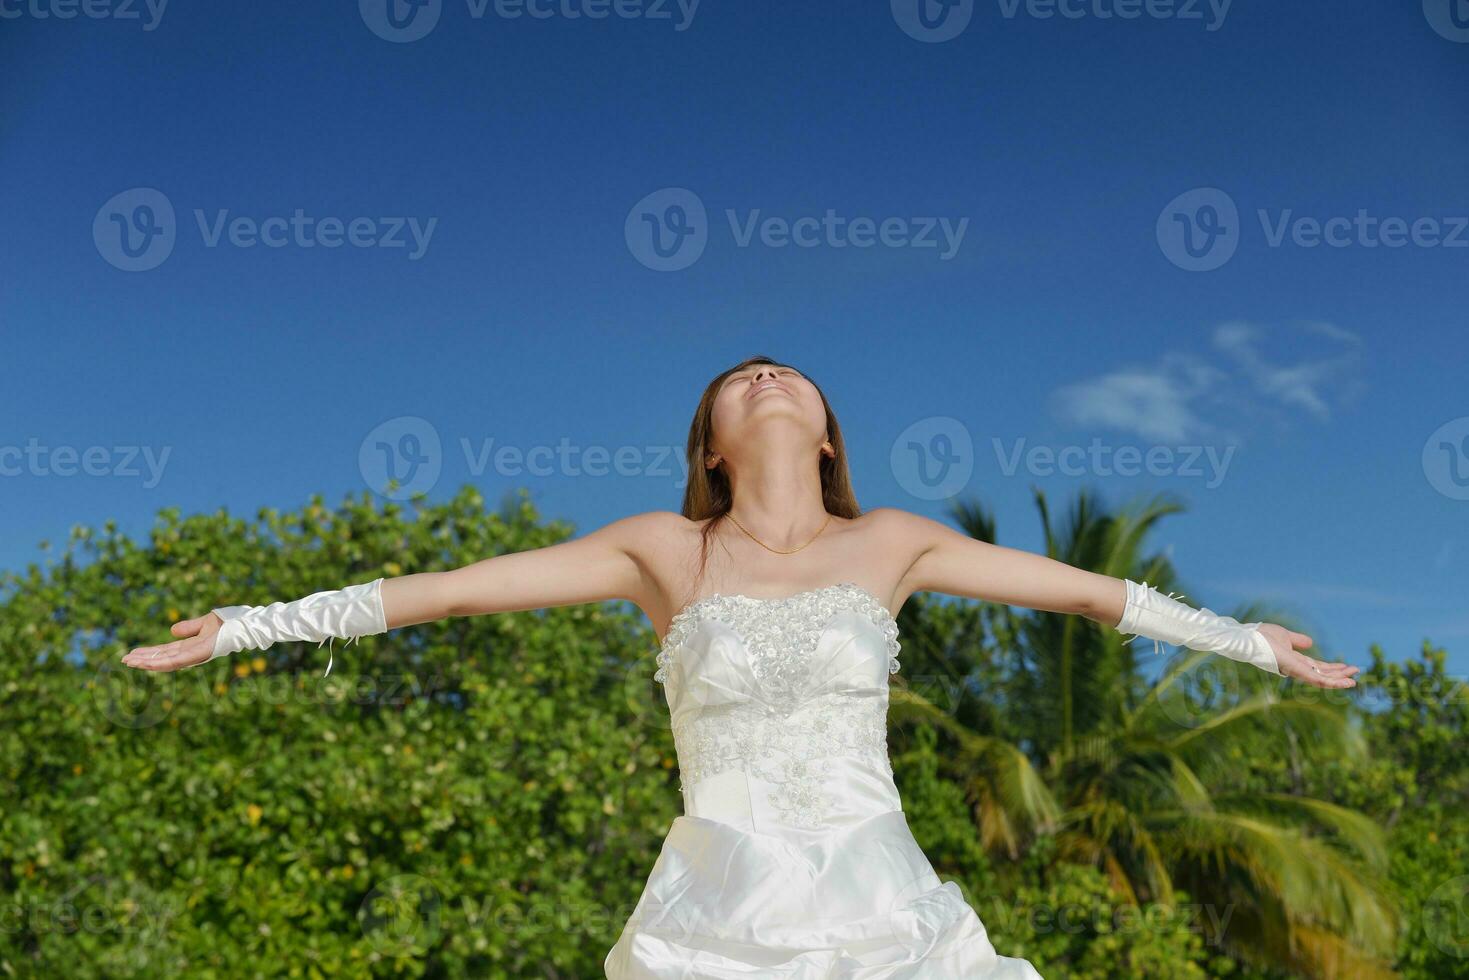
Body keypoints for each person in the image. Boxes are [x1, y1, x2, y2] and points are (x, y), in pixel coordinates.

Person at [124, 355, 1358, 978]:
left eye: (787, 375)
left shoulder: (896, 542)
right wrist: (247, 624)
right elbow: (445, 592)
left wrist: (1248, 640)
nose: (765, 375)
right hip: (717, 908)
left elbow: (1092, 593)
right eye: (737, 380)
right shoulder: (661, 549)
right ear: (710, 447)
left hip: (883, 904)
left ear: (824, 432)